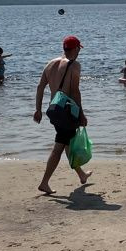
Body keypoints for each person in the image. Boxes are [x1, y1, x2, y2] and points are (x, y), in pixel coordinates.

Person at [34, 35, 92, 194]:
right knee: (59, 147)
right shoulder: (74, 66)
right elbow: (75, 91)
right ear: (76, 48)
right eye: (79, 49)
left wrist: (38, 109)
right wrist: (81, 114)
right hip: (67, 113)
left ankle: (82, 175)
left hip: (54, 111)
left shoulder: (50, 64)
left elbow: (40, 87)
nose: (79, 52)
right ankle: (44, 182)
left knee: (66, 143)